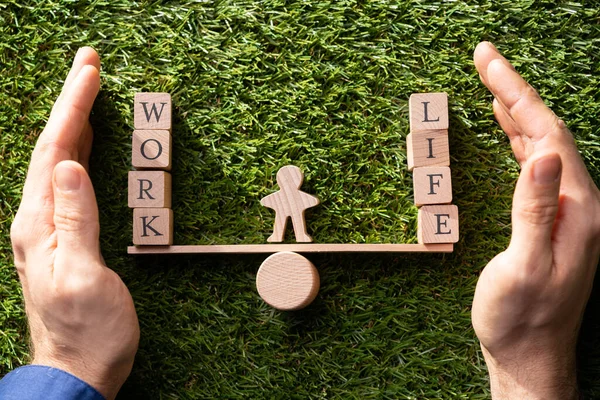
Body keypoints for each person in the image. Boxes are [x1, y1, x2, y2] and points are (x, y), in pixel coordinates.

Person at [1, 41, 598, 399]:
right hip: (288, 233)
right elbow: (282, 207)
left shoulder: (294, 196)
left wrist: (68, 364)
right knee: (291, 235)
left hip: (292, 233)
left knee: (295, 234)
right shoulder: (286, 196)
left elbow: (294, 206)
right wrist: (532, 372)